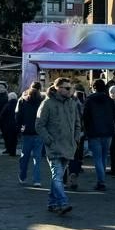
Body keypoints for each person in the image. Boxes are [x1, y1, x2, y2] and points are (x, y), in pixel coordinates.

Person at [36, 77, 80, 216]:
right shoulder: (47, 103)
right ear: (57, 88)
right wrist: (49, 141)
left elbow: (78, 123)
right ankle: (63, 202)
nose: (69, 90)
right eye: (66, 88)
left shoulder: (72, 103)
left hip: (68, 146)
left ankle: (52, 202)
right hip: (54, 147)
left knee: (58, 177)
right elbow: (39, 125)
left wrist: (76, 139)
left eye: (70, 88)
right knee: (58, 176)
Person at [81, 79, 115, 191]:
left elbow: (85, 117)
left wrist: (86, 130)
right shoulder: (110, 100)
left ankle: (101, 181)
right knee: (104, 156)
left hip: (94, 132)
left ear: (93, 87)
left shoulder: (89, 100)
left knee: (97, 157)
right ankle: (102, 180)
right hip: (108, 132)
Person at [16, 82, 45, 187]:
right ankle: (37, 180)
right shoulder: (43, 100)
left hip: (27, 132)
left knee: (25, 156)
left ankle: (23, 176)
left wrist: (21, 128)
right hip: (39, 132)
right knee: (37, 158)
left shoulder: (23, 100)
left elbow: (18, 116)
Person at [0, 90, 20, 157]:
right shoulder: (19, 104)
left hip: (8, 125)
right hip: (16, 124)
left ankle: (10, 151)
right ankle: (13, 152)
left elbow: (2, 115)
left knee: (9, 138)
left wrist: (1, 123)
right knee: (14, 139)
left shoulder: (7, 105)